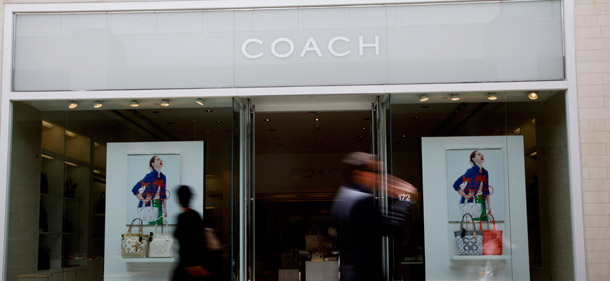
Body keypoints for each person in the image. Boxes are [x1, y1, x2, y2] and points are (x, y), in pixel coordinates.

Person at [332, 152, 418, 281]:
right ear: (359, 173)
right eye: (374, 172)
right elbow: (386, 227)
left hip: (350, 272)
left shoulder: (344, 197)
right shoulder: (362, 201)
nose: (377, 177)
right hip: (365, 272)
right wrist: (404, 200)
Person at [171, 185, 211, 281]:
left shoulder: (182, 217)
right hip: (197, 263)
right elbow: (200, 240)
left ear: (179, 200)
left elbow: (183, 241)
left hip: (187, 264)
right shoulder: (196, 216)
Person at [452, 150, 491, 221]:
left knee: (483, 227)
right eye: (479, 154)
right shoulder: (471, 171)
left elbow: (486, 191)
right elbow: (456, 184)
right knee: (473, 228)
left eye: (482, 154)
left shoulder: (485, 172)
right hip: (471, 203)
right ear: (474, 159)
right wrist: (465, 195)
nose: (482, 155)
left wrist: (489, 206)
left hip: (482, 203)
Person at [131, 155, 168, 225]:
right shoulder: (149, 176)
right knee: (150, 228)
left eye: (161, 159)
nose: (161, 160)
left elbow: (163, 195)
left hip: (158, 206)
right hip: (148, 207)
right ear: (153, 164)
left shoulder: (163, 177)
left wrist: (165, 209)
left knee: (159, 227)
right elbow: (135, 188)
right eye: (158, 159)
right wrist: (143, 199)